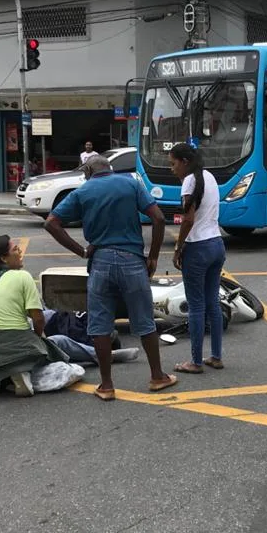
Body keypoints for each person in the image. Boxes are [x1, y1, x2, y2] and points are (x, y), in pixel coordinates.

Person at [44, 155, 175, 401]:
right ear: (109, 168)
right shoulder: (131, 184)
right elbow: (157, 218)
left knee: (100, 326)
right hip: (132, 260)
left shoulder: (83, 191)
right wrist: (153, 257)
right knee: (145, 321)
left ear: (89, 172)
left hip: (100, 262)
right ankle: (157, 376)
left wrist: (81, 251)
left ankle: (106, 385)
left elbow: (51, 223)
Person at [0, 235, 79, 397]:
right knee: (58, 343)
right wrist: (38, 340)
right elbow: (38, 319)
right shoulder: (22, 276)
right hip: (15, 343)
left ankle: (9, 377)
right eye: (15, 249)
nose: (20, 251)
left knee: (49, 344)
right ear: (3, 258)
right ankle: (103, 355)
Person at [169, 143, 226, 374]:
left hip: (198, 248)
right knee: (212, 302)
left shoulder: (189, 181)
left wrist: (178, 247)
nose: (172, 169)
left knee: (196, 305)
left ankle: (195, 361)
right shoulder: (209, 177)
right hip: (216, 245)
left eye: (173, 164)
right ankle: (216, 356)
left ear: (184, 161)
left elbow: (188, 219)